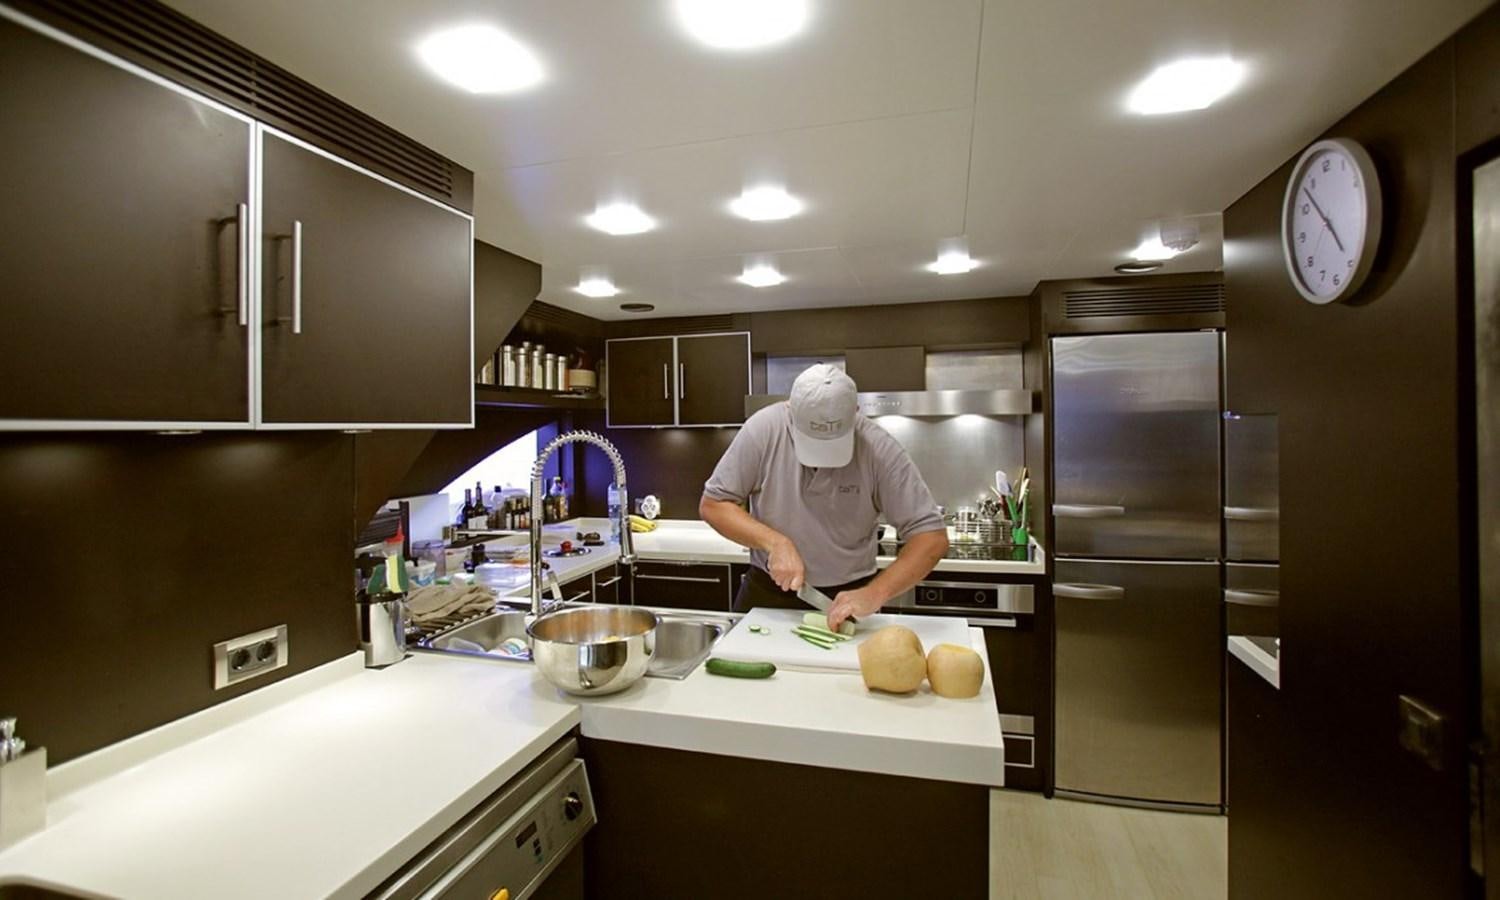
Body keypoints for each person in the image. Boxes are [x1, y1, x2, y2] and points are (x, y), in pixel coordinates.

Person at [699, 363, 949, 631]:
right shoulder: (762, 430)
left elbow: (931, 539)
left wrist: (875, 593)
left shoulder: (880, 451)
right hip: (767, 595)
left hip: (850, 601)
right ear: (790, 410)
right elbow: (714, 504)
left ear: (855, 414)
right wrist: (774, 543)